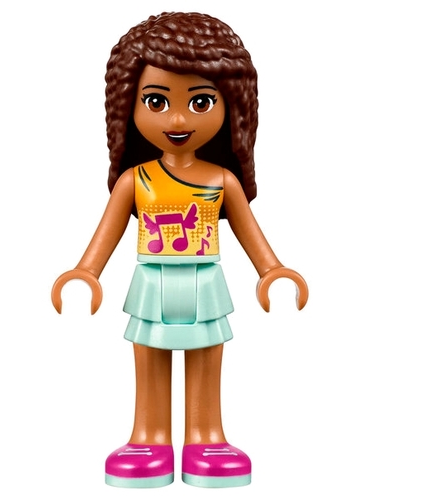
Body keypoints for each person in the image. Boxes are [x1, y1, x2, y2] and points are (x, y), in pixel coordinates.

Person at [51, 11, 308, 489]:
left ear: (230, 106)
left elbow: (251, 234)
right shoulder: (135, 181)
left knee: (207, 356)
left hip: (206, 281)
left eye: (200, 101)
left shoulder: (221, 181)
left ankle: (206, 436)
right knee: (149, 355)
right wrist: (86, 273)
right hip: (151, 282)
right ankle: (149, 437)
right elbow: (106, 234)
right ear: (129, 104)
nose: (176, 119)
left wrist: (272, 271)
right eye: (156, 100)